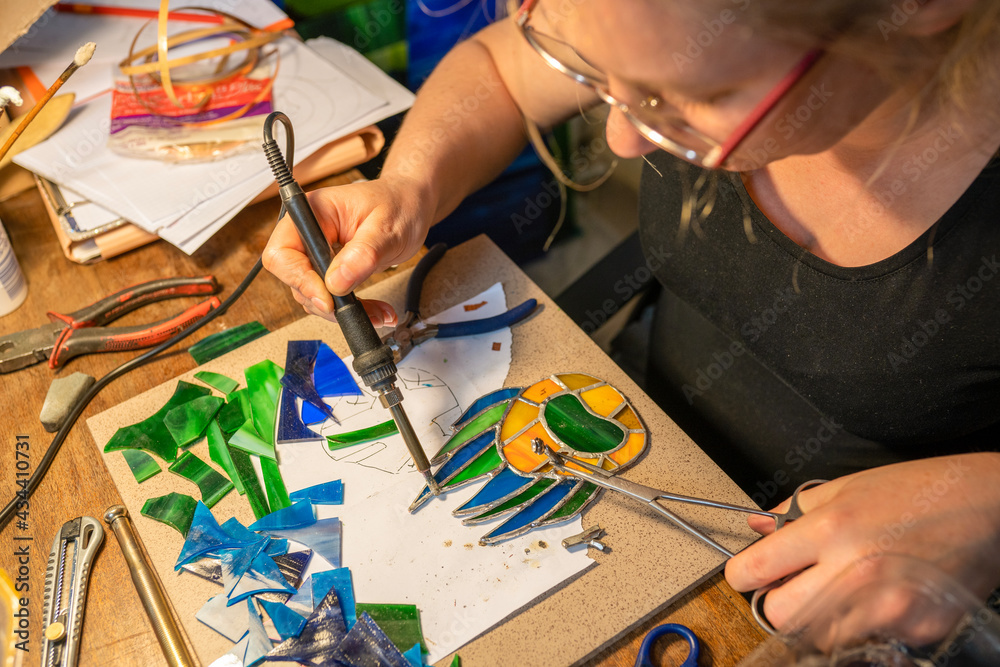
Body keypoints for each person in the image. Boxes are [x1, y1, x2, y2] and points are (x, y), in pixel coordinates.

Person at [263, 0, 1000, 631]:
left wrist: (983, 510)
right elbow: (503, 70)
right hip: (640, 429)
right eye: (593, 71)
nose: (620, 140)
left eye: (689, 96)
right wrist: (410, 185)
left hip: (869, 593)